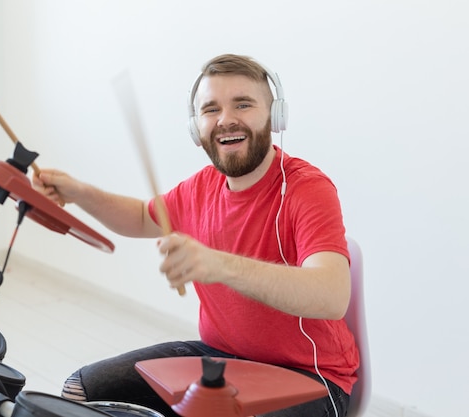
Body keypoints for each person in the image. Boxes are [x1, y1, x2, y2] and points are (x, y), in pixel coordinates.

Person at [32, 53, 359, 417]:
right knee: (81, 391)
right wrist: (79, 193)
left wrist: (219, 265)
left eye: (243, 104)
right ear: (196, 127)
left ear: (275, 116)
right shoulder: (202, 187)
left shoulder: (306, 188)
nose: (226, 120)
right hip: (221, 360)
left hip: (310, 377)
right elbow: (142, 217)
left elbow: (331, 296)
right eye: (210, 109)